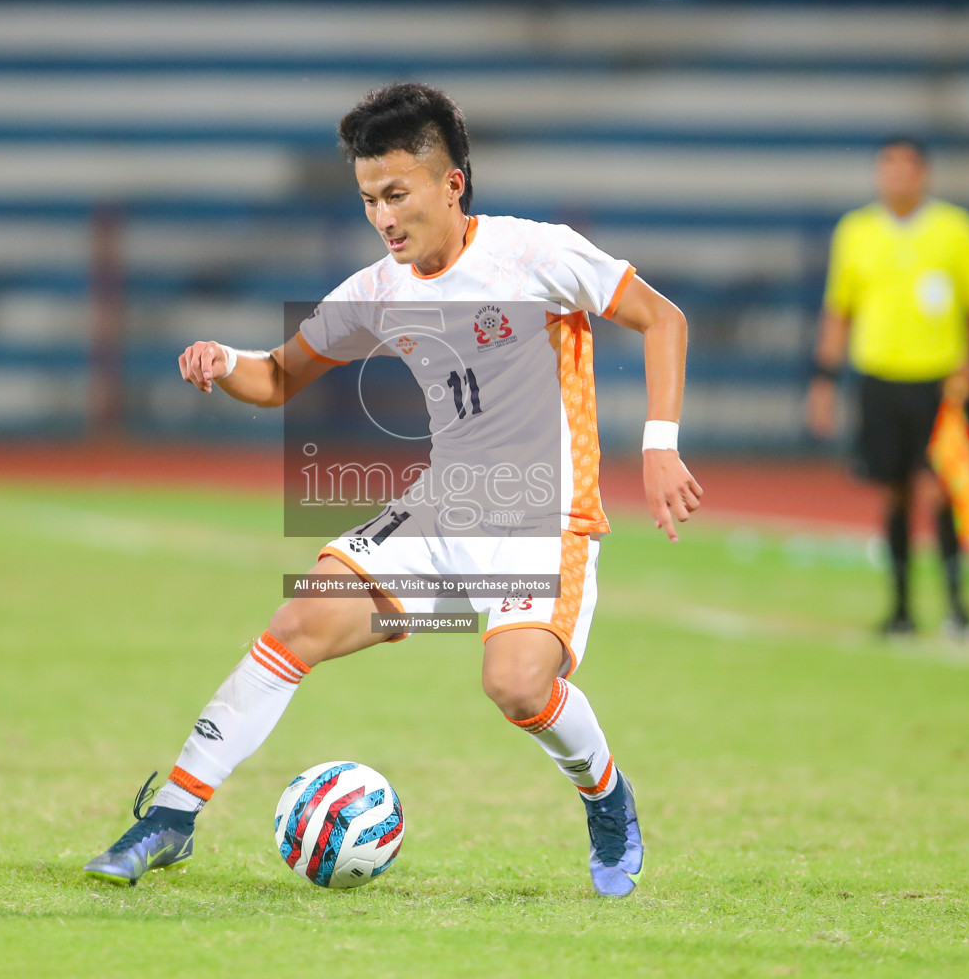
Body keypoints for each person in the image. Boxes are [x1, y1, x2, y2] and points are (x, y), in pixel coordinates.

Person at [82, 83, 702, 898]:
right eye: (370, 198)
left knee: (516, 685)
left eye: (397, 194)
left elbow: (664, 319)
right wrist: (221, 359)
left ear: (452, 183)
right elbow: (276, 376)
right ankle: (170, 815)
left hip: (542, 519)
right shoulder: (379, 288)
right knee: (297, 620)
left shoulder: (534, 253)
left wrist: (660, 447)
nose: (383, 216)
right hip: (444, 510)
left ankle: (605, 795)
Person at [807, 137, 969, 641]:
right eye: (889, 166)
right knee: (894, 492)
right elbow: (840, 309)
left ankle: (958, 607)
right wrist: (825, 380)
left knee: (942, 490)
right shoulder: (856, 231)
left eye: (907, 167)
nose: (898, 176)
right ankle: (900, 609)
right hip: (879, 379)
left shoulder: (955, 229)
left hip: (939, 381)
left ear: (924, 174)